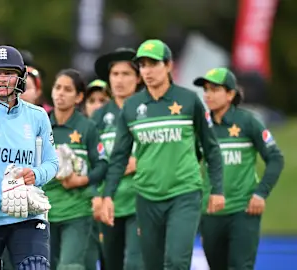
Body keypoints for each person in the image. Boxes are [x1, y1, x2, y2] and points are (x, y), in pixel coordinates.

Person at [99, 39, 225, 269]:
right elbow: (119, 156)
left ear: (168, 66)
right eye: (143, 65)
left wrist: (217, 188)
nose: (147, 71)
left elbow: (211, 148)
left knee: (176, 261)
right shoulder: (131, 107)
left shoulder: (189, 100)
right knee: (152, 265)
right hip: (146, 197)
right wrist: (108, 195)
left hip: (184, 193)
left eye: (153, 64)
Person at [0, 45, 59, 270]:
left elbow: (52, 163)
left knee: (35, 266)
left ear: (21, 76)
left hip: (27, 214)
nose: (2, 80)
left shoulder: (38, 116)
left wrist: (35, 174)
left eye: (9, 73)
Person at [195, 67, 284, 270]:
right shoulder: (200, 126)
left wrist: (261, 193)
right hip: (210, 214)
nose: (208, 94)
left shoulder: (247, 121)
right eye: (206, 89)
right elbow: (188, 162)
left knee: (240, 267)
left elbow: (275, 158)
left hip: (242, 212)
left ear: (230, 94)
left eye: (215, 89)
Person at [44, 69, 108, 270]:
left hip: (76, 211)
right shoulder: (39, 124)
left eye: (67, 89)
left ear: (79, 97)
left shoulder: (87, 127)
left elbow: (102, 165)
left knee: (69, 267)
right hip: (43, 212)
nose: (60, 93)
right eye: (57, 88)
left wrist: (82, 180)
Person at [90, 48, 144, 270]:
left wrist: (141, 162)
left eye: (126, 74)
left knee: (134, 263)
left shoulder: (148, 110)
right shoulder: (99, 117)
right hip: (108, 203)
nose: (119, 80)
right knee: (111, 264)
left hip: (141, 201)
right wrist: (96, 197)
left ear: (138, 78)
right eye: (115, 74)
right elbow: (90, 161)